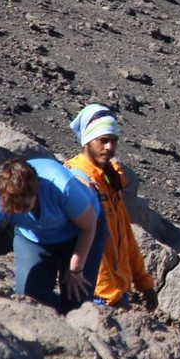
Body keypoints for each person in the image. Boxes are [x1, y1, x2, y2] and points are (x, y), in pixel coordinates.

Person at [0, 157, 106, 312]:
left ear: (35, 192)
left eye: (23, 207)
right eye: (11, 208)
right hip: (34, 237)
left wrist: (75, 269)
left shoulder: (61, 186)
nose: (17, 212)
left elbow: (88, 227)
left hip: (80, 233)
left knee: (77, 300)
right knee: (30, 300)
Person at [64, 104, 158, 311]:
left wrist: (144, 282)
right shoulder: (79, 179)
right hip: (94, 293)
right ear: (87, 141)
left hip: (116, 289)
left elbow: (125, 234)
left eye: (113, 141)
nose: (109, 147)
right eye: (103, 140)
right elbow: (87, 244)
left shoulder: (109, 178)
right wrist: (110, 296)